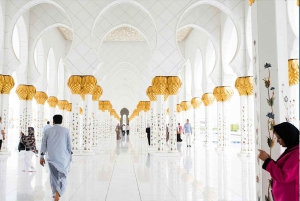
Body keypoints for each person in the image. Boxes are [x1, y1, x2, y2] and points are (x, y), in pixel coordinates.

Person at [258, 122, 299, 201]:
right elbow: (283, 168)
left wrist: (267, 161)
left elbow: (285, 176)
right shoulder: (291, 150)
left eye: (279, 138)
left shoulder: (297, 154)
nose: (277, 141)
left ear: (287, 136)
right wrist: (268, 159)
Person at [40, 115, 72, 201]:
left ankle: (55, 193)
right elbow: (69, 145)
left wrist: (41, 156)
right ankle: (58, 193)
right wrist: (70, 156)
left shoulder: (47, 131)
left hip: (51, 157)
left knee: (53, 176)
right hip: (63, 158)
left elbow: (43, 144)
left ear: (53, 121)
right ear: (61, 121)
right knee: (62, 176)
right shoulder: (66, 131)